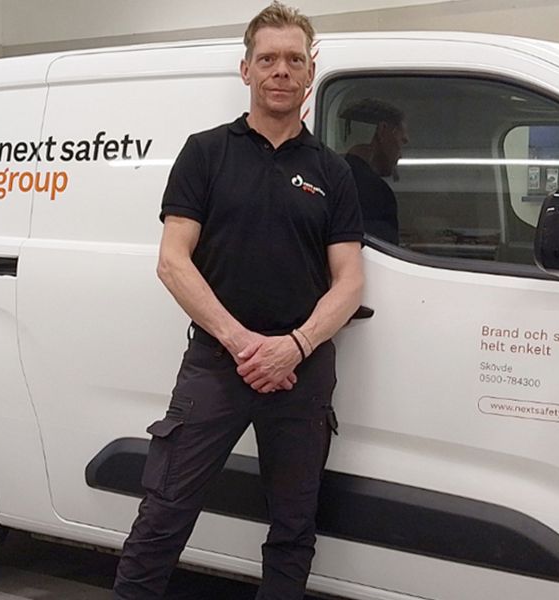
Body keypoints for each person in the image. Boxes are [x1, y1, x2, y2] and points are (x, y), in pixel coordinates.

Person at [110, 3, 365, 599]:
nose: (282, 71)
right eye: (268, 59)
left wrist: (294, 346)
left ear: (310, 72)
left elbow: (350, 282)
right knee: (164, 512)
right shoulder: (205, 153)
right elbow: (173, 261)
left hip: (301, 372)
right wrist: (243, 343)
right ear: (245, 69)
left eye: (294, 60)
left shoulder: (333, 172)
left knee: (294, 527)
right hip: (218, 364)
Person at [340, 99, 409, 244]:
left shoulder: (333, 179)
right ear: (383, 130)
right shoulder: (376, 193)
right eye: (401, 141)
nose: (401, 154)